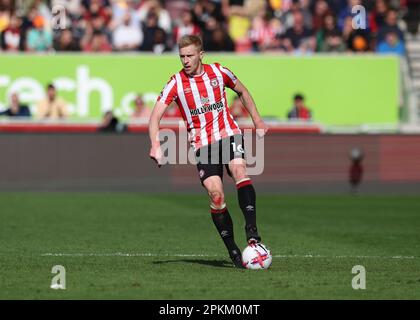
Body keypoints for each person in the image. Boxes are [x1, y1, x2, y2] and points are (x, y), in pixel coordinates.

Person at [148, 35, 268, 269]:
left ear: (201, 55)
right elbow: (155, 117)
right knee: (216, 196)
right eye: (181, 56)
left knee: (239, 169)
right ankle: (233, 249)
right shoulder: (176, 83)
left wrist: (258, 121)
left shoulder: (219, 72)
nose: (185, 60)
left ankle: (252, 230)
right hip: (203, 145)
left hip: (229, 134)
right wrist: (155, 144)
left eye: (190, 55)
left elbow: (242, 91)